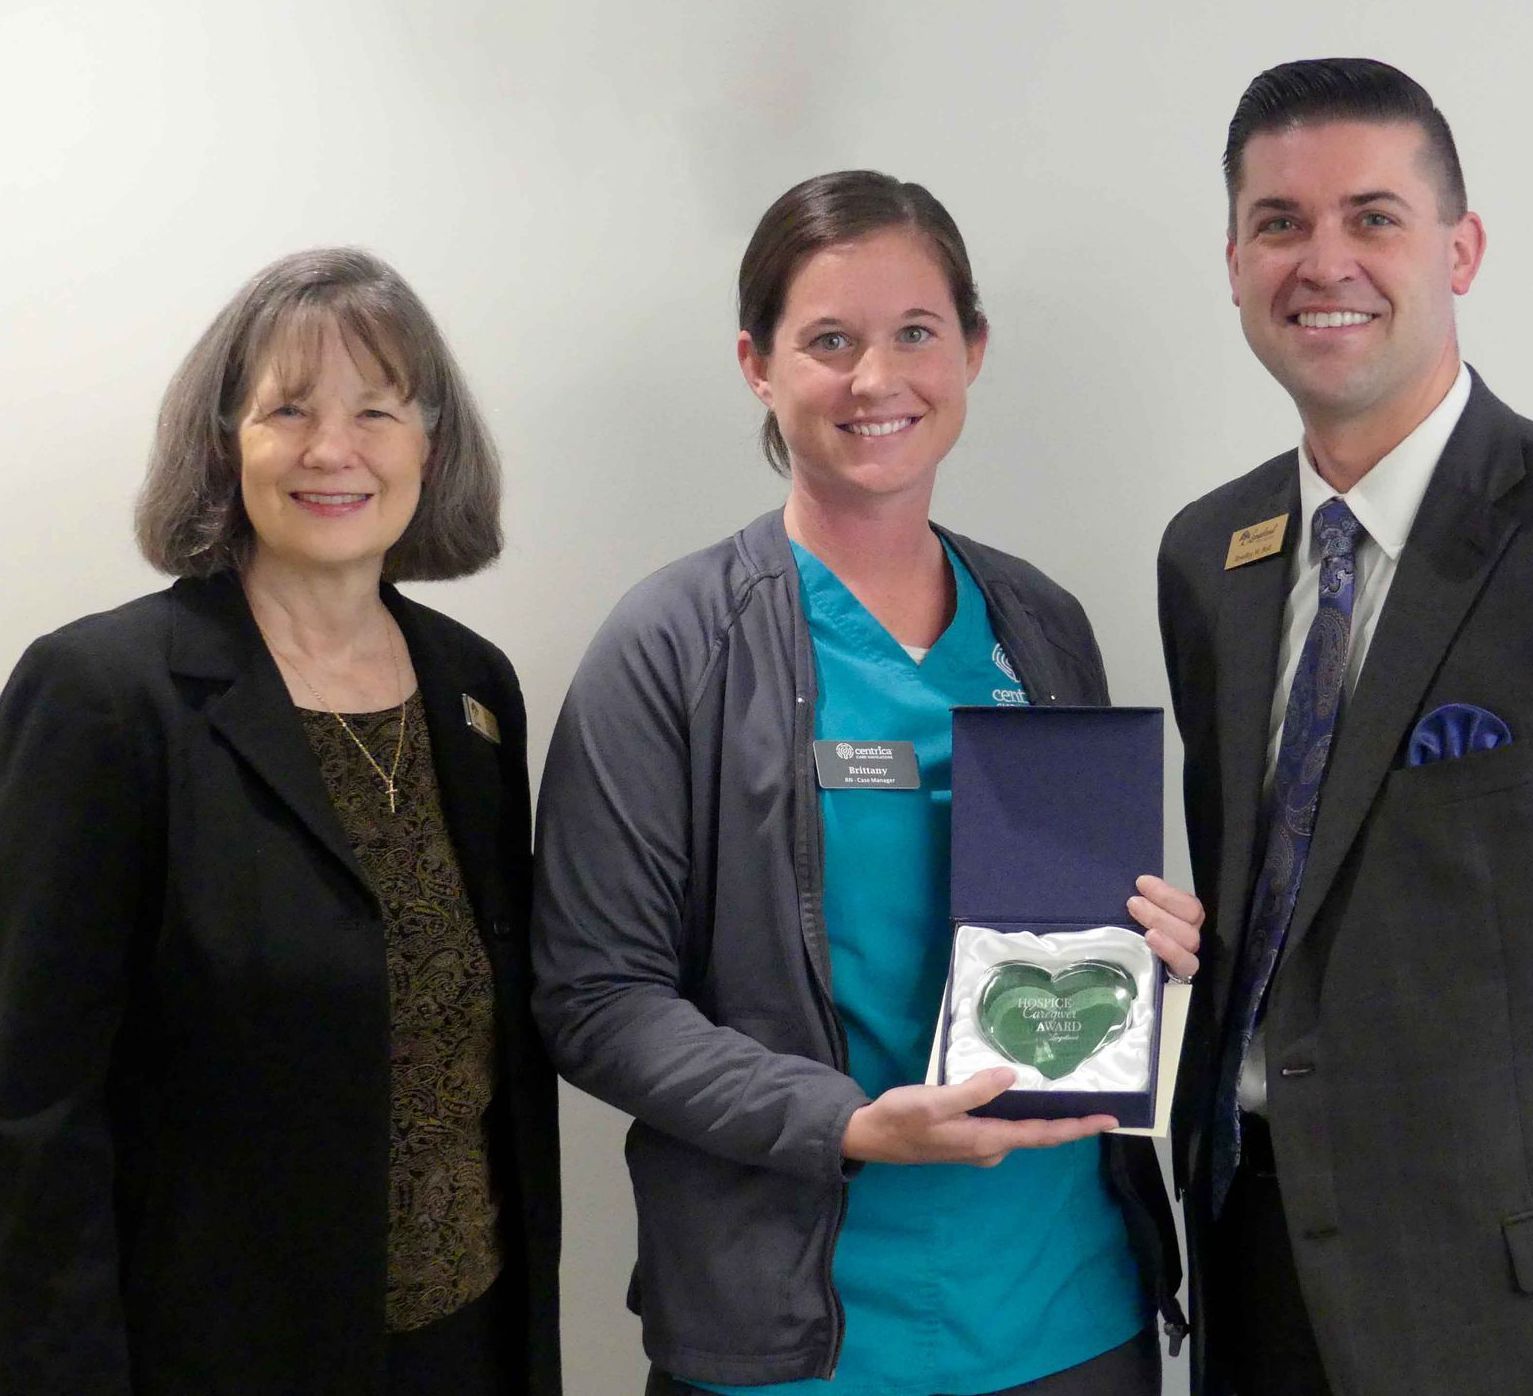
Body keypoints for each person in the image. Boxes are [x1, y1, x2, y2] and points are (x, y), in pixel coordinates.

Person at [1157, 56, 1533, 1395]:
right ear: (1234, 260)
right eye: (1281, 223)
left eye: (1373, 216)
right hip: (1270, 1287)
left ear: (1462, 247)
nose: (1325, 260)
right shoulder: (1213, 557)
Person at [532, 170, 1197, 1395]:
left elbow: (1068, 921)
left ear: (972, 349)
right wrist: (840, 1120)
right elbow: (594, 995)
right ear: (757, 363)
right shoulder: (671, 646)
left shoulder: (1040, 622)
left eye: (914, 334)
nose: (875, 379)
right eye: (827, 341)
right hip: (803, 1337)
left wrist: (1148, 937)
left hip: (1067, 1312)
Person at [0, 248, 562, 1395]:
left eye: (376, 409)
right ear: (223, 443)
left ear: (430, 445)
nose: (332, 449)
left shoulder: (472, 691)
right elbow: (30, 1106)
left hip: (471, 1340)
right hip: (215, 1354)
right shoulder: (105, 696)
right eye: (288, 409)